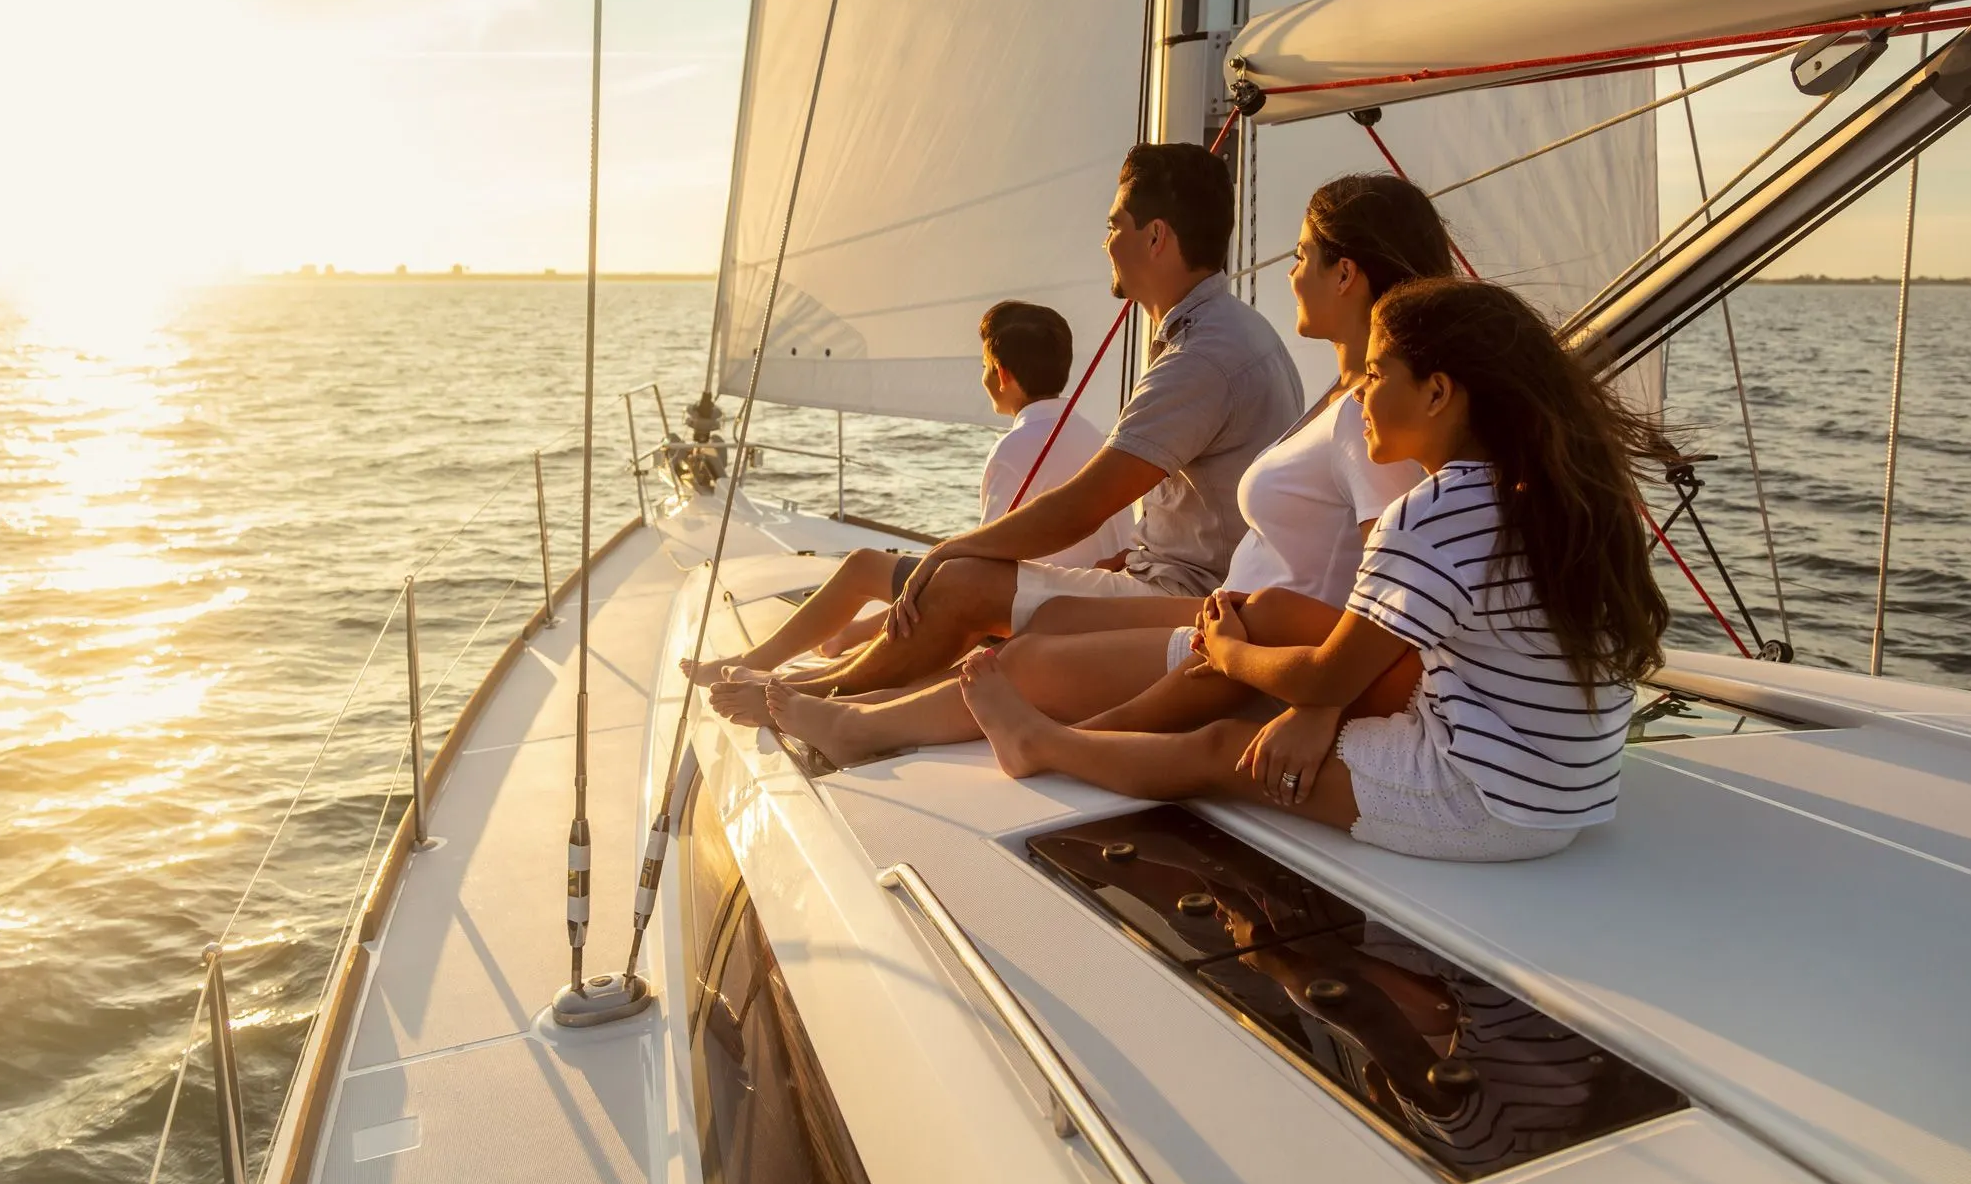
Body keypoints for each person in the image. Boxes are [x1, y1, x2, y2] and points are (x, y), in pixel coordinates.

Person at [961, 276, 1671, 863]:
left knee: (1220, 748)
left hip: (1483, 800)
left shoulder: (1432, 512)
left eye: (1376, 373)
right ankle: (1105, 730)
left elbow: (1328, 677)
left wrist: (1232, 654)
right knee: (1278, 614)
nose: (1357, 394)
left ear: (1437, 393)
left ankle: (1041, 743)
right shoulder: (1550, 493)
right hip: (1566, 788)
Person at [764, 173, 1453, 765]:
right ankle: (871, 700)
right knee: (1053, 618)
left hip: (1262, 639)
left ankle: (859, 723)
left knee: (1020, 649)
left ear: (1345, 274)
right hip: (1236, 611)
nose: (1290, 270)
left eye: (1303, 254)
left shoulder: (1368, 413)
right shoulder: (1337, 396)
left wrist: (1319, 702)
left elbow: (1388, 578)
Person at [711, 141, 1302, 717]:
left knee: (961, 583)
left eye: (1114, 224)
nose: (1105, 242)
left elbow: (1082, 508)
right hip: (1195, 583)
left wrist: (954, 548)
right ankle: (826, 683)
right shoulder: (1234, 334)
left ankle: (817, 697)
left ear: (1155, 237)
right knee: (973, 586)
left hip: (1192, 602)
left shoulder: (1198, 357)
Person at [683, 300, 1131, 683]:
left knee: (862, 566)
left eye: (983, 367)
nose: (982, 377)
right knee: (923, 577)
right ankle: (847, 635)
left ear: (1001, 373)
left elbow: (978, 573)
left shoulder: (1015, 449)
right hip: (1084, 603)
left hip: (1025, 610)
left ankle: (755, 662)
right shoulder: (1098, 437)